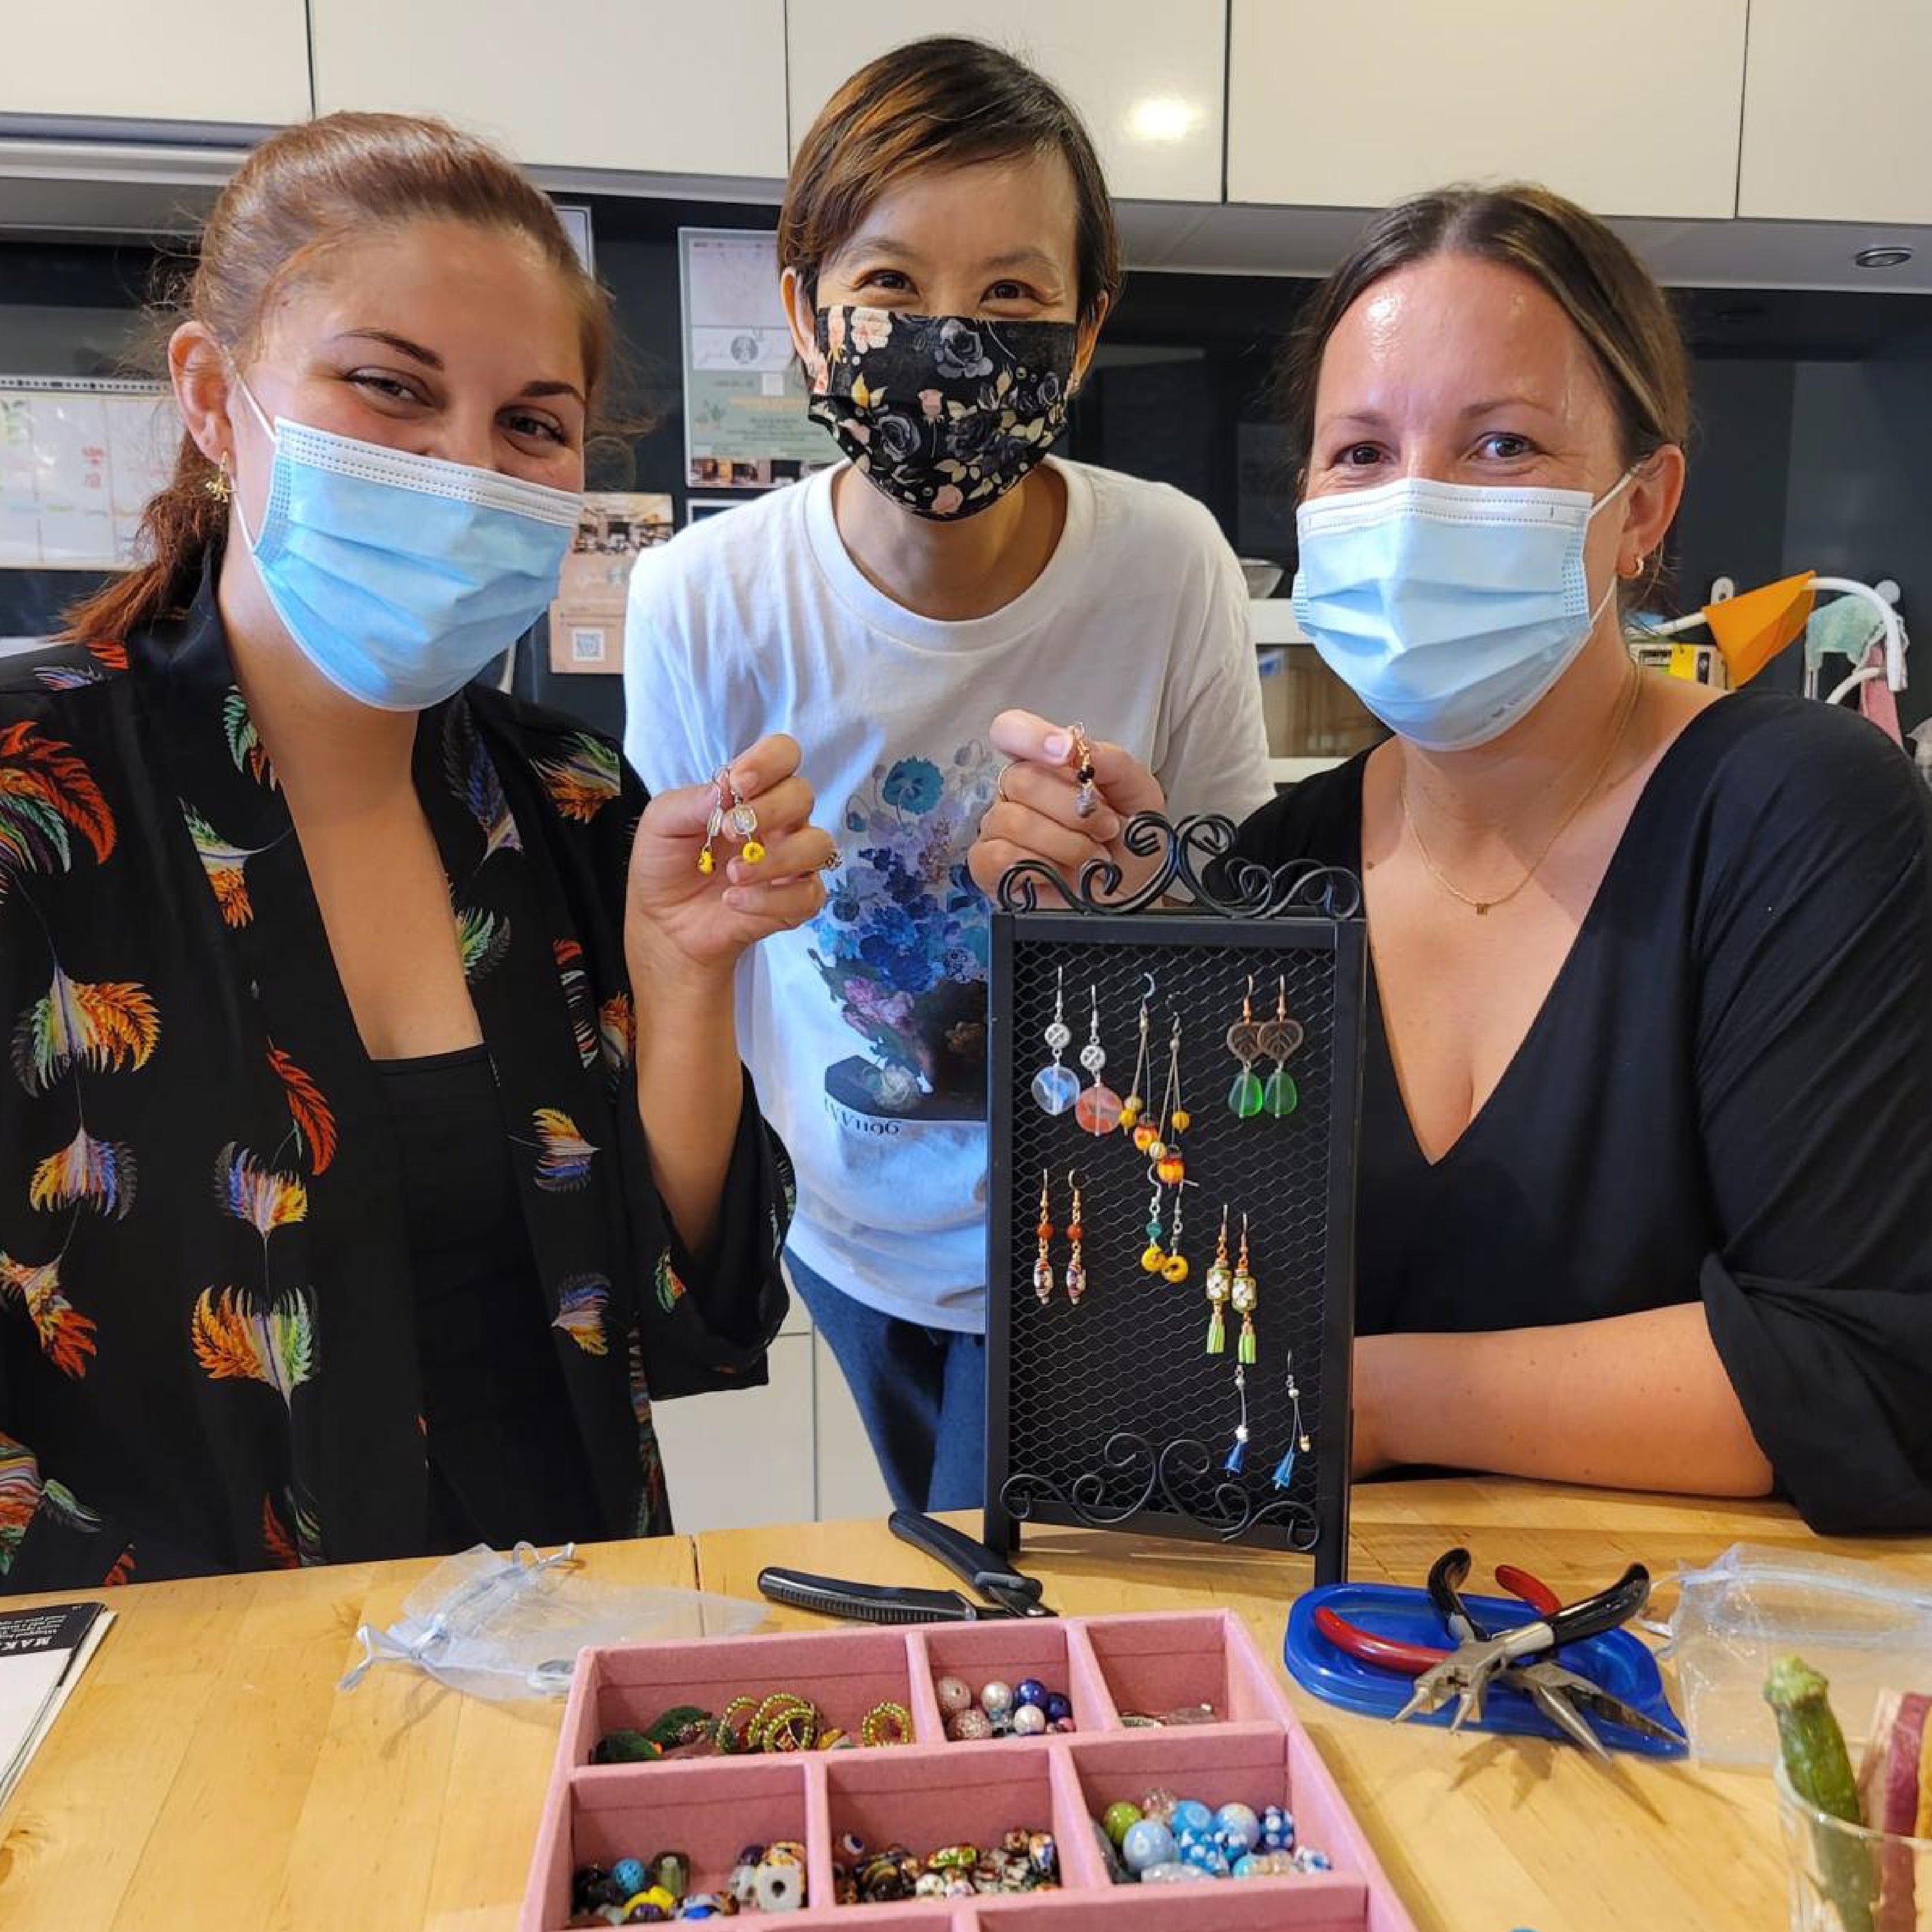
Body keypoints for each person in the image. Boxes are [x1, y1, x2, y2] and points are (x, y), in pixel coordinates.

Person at [974, 183, 1932, 1534]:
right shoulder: (1279, 871)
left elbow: (1858, 1371)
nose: (1413, 505)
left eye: (1500, 446)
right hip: (1330, 1651)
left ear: (1644, 504)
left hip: (1683, 1664)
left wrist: (1372, 1400)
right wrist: (1148, 954)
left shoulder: (1796, 816)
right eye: (1361, 453)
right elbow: (1184, 1339)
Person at [0, 113, 835, 1590]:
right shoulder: (32, 802)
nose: (464, 471)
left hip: (565, 1653)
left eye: (529, 423)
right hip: (174, 1721)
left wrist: (686, 979)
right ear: (213, 394)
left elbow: (687, 1318)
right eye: (390, 389)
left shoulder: (571, 807)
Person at [625, 37, 1274, 1514]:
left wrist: (1140, 890)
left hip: (1090, 1227)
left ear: (1086, 333)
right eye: (890, 289)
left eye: (1012, 297)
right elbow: (685, 961)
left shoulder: (1167, 563)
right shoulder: (704, 596)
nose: (952, 341)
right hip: (842, 1231)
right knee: (949, 1577)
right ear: (804, 317)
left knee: (1009, 1612)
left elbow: (1245, 944)